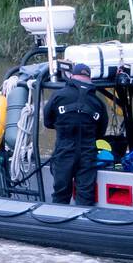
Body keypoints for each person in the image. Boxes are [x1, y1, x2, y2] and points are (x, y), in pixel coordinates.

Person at [43, 63, 108, 205]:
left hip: (64, 151)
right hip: (88, 153)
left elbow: (47, 122)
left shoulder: (58, 96)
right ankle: (83, 224)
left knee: (60, 194)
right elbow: (101, 132)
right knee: (85, 196)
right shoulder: (98, 103)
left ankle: (58, 223)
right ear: (89, 78)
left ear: (72, 76)